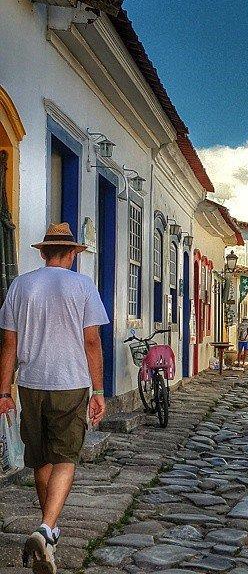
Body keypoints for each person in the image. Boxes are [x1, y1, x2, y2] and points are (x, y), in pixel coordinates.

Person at [0, 223, 109, 574]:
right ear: (73, 253)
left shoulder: (21, 285)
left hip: (30, 384)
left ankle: (47, 530)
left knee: (40, 458)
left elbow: (9, 345)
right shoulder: (82, 286)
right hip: (71, 383)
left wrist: (4, 391)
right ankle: (47, 528)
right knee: (65, 458)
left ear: (43, 252)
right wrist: (100, 390)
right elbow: (91, 341)